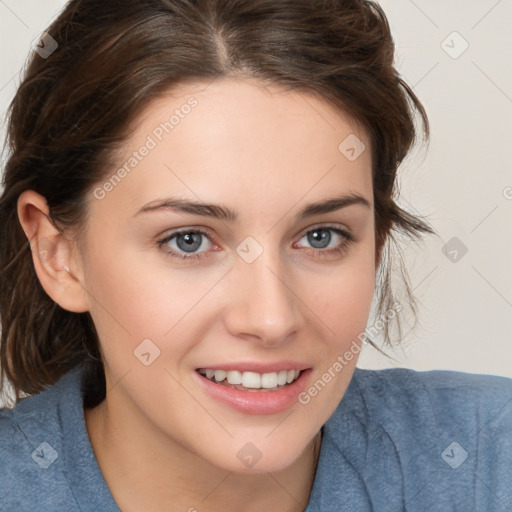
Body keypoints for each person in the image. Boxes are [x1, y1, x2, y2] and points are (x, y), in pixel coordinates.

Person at [0, 0, 511, 511]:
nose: (271, 319)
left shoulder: (489, 458)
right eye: (189, 240)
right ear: (58, 253)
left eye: (321, 236)